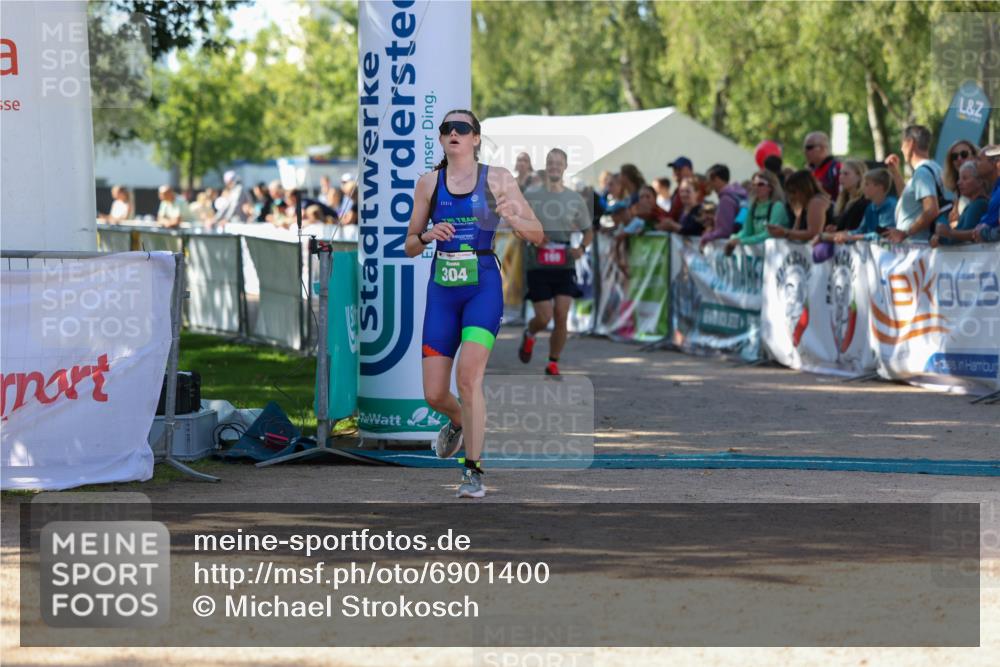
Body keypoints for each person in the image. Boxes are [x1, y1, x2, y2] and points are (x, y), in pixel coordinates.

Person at [404, 109, 543, 499]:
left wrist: (516, 219)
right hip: (442, 291)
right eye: (447, 128)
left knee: (468, 377)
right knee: (434, 393)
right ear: (441, 138)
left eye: (462, 128)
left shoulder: (497, 179)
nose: (454, 133)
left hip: (482, 286)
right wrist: (427, 235)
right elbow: (410, 245)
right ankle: (460, 421)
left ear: (476, 138)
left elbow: (537, 233)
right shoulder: (428, 183)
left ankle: (473, 471)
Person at [517, 148, 593, 376]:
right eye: (551, 162)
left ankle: (553, 362)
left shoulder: (574, 199)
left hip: (564, 264)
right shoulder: (531, 195)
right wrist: (534, 237)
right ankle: (530, 333)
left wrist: (581, 248)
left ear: (565, 166)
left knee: (561, 314)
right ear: (546, 165)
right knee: (544, 316)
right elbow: (517, 228)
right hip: (537, 265)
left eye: (559, 163)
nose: (554, 167)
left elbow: (588, 231)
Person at [884, 125, 952, 243]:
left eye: (902, 143)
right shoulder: (933, 168)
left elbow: (931, 210)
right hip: (920, 246)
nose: (901, 149)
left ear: (910, 143)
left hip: (918, 246)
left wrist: (905, 233)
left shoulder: (922, 173)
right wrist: (895, 172)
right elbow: (909, 203)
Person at [725, 170, 788, 255]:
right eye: (754, 185)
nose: (756, 187)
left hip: (776, 255)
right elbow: (747, 231)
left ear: (771, 187)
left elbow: (769, 234)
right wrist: (734, 238)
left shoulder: (777, 206)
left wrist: (742, 241)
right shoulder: (752, 207)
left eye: (760, 184)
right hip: (759, 255)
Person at [932, 160, 991, 246]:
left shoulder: (978, 204)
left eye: (965, 178)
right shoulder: (973, 205)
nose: (959, 183)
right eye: (959, 178)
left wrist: (945, 233)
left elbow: (967, 236)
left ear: (980, 181)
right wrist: (939, 238)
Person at [832, 167, 897, 243]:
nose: (863, 188)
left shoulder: (891, 206)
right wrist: (844, 235)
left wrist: (852, 237)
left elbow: (884, 234)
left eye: (867, 184)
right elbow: (861, 230)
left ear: (879, 187)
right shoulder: (870, 207)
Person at [769, 170, 829, 242]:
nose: (791, 196)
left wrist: (785, 232)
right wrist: (798, 218)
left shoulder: (816, 202)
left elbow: (814, 234)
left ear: (805, 189)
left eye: (793, 192)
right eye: (789, 192)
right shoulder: (804, 206)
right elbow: (795, 233)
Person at [700, 164, 747, 248]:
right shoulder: (736, 195)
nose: (708, 183)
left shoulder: (726, 200)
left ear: (716, 178)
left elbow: (725, 231)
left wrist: (707, 237)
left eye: (709, 179)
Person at [942, 139, 979, 219]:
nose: (959, 159)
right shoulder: (958, 189)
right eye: (954, 156)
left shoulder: (985, 184)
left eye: (964, 154)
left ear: (974, 156)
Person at [831, 160, 869, 231]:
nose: (841, 177)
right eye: (840, 173)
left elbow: (853, 230)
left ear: (859, 176)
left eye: (846, 174)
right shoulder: (843, 200)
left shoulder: (864, 201)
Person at [803, 131, 841, 198]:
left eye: (809, 147)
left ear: (823, 148)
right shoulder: (810, 171)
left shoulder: (837, 168)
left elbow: (841, 198)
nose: (805, 151)